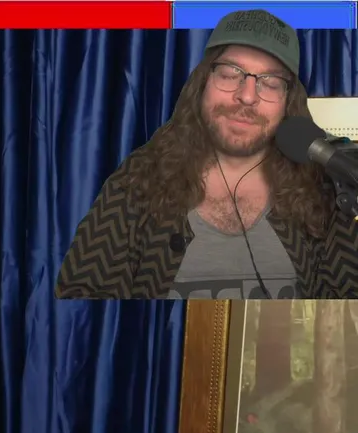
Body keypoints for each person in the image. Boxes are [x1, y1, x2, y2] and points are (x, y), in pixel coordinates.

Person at [55, 9, 358, 300]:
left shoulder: (323, 190)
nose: (247, 96)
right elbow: (82, 306)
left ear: (288, 101)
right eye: (230, 73)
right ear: (201, 84)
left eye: (270, 82)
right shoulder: (139, 178)